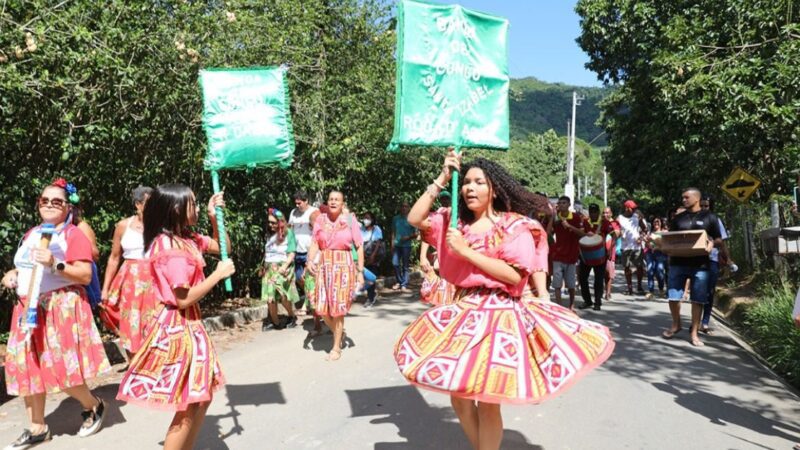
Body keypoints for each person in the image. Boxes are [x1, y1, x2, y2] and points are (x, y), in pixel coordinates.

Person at [395, 151, 614, 450]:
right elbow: (414, 218)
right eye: (466, 183)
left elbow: (514, 276)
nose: (469, 188)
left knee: (487, 402)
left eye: (478, 182)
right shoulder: (454, 222)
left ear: (493, 189)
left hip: (499, 315)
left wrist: (467, 252)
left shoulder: (514, 226)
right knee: (458, 398)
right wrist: (443, 176)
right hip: (463, 311)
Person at [117, 184, 235, 450]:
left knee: (200, 398)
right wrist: (217, 275)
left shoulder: (187, 238)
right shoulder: (169, 246)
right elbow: (182, 299)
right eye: (193, 203)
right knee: (189, 401)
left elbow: (222, 247)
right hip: (178, 326)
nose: (196, 207)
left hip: (190, 324)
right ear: (177, 209)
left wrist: (214, 218)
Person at [1, 178, 110, 449]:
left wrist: (56, 263)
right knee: (28, 370)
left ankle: (94, 405)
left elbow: (84, 275)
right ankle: (38, 427)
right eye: (44, 200)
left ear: (67, 206)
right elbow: (24, 266)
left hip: (59, 308)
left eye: (56, 201)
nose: (49, 205)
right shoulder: (31, 233)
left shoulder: (73, 234)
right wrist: (11, 274)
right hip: (27, 308)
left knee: (61, 371)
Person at [307, 191, 365, 361]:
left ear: (342, 203)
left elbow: (359, 245)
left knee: (338, 309)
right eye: (331, 199)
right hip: (324, 265)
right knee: (321, 307)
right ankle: (338, 332)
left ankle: (335, 347)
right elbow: (315, 242)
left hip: (343, 266)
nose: (333, 202)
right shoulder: (320, 219)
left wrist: (360, 271)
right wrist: (310, 259)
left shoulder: (349, 219)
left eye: (337, 200)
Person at [661, 188, 722, 347]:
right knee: (673, 297)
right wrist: (663, 247)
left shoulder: (710, 217)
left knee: (698, 299)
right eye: (682, 198)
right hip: (677, 263)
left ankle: (694, 332)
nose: (683, 200)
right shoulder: (678, 219)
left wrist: (712, 244)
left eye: (686, 197)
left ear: (696, 198)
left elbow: (718, 239)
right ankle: (676, 324)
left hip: (700, 265)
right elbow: (670, 238)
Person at [100, 186, 156, 358]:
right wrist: (105, 289)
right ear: (138, 205)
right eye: (150, 203)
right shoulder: (123, 226)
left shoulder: (161, 226)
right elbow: (114, 258)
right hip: (130, 281)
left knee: (154, 320)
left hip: (154, 278)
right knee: (131, 322)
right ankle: (134, 366)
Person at [260, 208, 299, 330]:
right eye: (269, 222)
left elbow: (292, 252)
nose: (271, 225)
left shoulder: (289, 233)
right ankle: (275, 322)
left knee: (283, 296)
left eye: (273, 223)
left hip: (283, 266)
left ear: (281, 222)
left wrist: (285, 266)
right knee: (270, 296)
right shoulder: (269, 233)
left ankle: (292, 316)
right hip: (269, 266)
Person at [699, 195, 732, 333]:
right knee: (698, 292)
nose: (703, 208)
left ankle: (705, 321)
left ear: (711, 206)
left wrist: (728, 259)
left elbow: (722, 241)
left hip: (712, 260)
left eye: (706, 205)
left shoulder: (716, 220)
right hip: (696, 260)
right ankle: (696, 321)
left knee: (709, 292)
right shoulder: (693, 219)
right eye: (701, 205)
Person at [578, 203, 617, 311]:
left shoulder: (604, 223)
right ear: (589, 212)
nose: (593, 214)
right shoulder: (585, 222)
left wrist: (609, 249)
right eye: (591, 212)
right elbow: (580, 235)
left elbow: (614, 235)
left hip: (600, 255)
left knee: (598, 280)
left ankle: (597, 302)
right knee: (582, 278)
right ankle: (587, 301)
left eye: (595, 212)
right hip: (586, 255)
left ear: (598, 212)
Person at [419, 192, 456, 306]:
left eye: (447, 199)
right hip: (442, 257)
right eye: (442, 199)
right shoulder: (437, 214)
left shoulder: (458, 214)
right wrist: (422, 256)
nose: (445, 201)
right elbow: (426, 232)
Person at [550, 195, 585, 309]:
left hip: (571, 255)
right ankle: (559, 306)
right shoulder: (556, 217)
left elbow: (582, 234)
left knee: (570, 284)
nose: (561, 205)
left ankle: (571, 306)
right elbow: (549, 232)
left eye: (564, 203)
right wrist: (553, 216)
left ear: (569, 205)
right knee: (557, 284)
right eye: (560, 203)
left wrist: (569, 226)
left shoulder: (575, 217)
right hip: (558, 255)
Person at [288, 190, 320, 315]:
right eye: (295, 203)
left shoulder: (314, 212)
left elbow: (319, 231)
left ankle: (307, 305)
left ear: (306, 201)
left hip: (310, 252)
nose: (297, 205)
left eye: (299, 203)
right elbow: (290, 230)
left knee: (307, 278)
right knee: (299, 278)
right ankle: (310, 299)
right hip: (297, 250)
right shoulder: (293, 213)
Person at [617, 199, 647, 295]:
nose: (634, 209)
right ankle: (629, 287)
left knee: (639, 267)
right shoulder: (619, 218)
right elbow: (614, 229)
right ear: (626, 208)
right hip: (625, 246)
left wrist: (641, 237)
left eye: (635, 208)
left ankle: (639, 286)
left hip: (637, 246)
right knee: (627, 267)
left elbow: (644, 229)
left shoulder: (637, 217)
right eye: (632, 208)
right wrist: (619, 233)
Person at [391, 202, 418, 292]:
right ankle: (399, 281)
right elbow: (393, 232)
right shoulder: (395, 219)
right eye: (402, 206)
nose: (404, 208)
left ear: (409, 208)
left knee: (405, 266)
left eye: (406, 206)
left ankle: (403, 285)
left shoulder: (411, 219)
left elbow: (416, 234)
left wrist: (408, 237)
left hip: (406, 245)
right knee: (395, 263)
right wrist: (392, 244)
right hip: (397, 245)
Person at [361, 211, 385, 307]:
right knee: (364, 276)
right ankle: (371, 294)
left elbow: (378, 243)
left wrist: (373, 256)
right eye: (364, 218)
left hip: (373, 257)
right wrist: (349, 215)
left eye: (368, 218)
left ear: (372, 220)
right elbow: (349, 225)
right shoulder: (361, 228)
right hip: (363, 256)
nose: (365, 220)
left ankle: (370, 298)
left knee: (370, 276)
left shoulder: (376, 229)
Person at [644, 217, 668, 299]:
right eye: (654, 222)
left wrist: (656, 244)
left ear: (661, 223)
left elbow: (665, 244)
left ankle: (661, 289)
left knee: (659, 270)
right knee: (650, 270)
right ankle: (651, 291)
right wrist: (647, 242)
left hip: (660, 253)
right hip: (650, 253)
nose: (656, 223)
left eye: (658, 221)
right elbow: (647, 245)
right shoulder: (650, 233)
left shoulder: (664, 232)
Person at [602, 207, 619, 301]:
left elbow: (615, 237)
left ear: (611, 213)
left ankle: (608, 292)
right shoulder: (600, 223)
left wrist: (609, 250)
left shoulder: (614, 223)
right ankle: (604, 290)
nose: (605, 215)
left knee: (609, 273)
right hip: (600, 252)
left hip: (610, 251)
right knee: (603, 273)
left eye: (607, 213)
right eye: (604, 213)